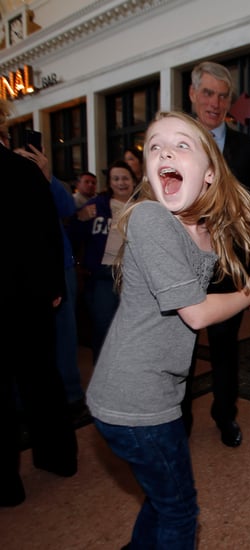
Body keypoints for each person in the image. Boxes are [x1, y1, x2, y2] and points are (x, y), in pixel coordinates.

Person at [86, 110, 250, 548]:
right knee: (180, 509)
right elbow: (196, 313)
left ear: (209, 173)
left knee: (161, 499)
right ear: (149, 171)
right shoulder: (151, 218)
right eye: (154, 147)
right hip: (134, 400)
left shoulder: (199, 227)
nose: (165, 150)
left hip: (155, 394)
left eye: (180, 145)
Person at [182, 60, 250, 446]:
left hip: (229, 267)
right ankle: (178, 420)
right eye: (208, 93)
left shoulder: (248, 148)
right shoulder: (174, 143)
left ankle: (225, 416)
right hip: (180, 265)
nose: (215, 102)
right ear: (193, 94)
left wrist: (229, 216)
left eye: (223, 96)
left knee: (224, 352)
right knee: (180, 354)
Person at [0, 101, 77, 507]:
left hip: (23, 295)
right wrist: (51, 286)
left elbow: (50, 226)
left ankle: (6, 485)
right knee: (42, 381)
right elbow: (46, 231)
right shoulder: (23, 171)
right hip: (31, 297)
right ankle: (59, 458)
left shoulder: (26, 170)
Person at [15, 145, 88, 424]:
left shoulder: (44, 179)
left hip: (60, 264)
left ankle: (71, 396)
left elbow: (67, 208)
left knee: (65, 333)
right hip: (22, 270)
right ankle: (23, 402)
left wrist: (47, 175)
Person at [70, 160, 138, 363]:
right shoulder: (96, 206)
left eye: (125, 178)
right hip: (103, 277)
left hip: (134, 278)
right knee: (103, 328)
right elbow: (73, 237)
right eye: (115, 179)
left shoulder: (143, 208)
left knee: (132, 332)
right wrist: (80, 219)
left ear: (134, 181)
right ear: (109, 183)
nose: (120, 183)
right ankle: (103, 379)